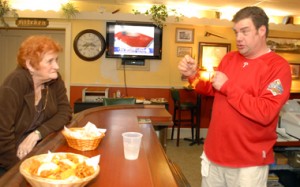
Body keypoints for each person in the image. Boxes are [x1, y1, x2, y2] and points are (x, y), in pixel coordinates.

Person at [178, 6, 291, 187]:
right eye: (236, 32)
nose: (238, 38)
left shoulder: (278, 68)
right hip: (213, 156)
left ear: (262, 31)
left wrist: (228, 86)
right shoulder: (229, 59)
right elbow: (212, 88)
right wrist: (193, 75)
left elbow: (265, 112)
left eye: (245, 32)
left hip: (248, 164)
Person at [0, 35, 72, 176]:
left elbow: (65, 112)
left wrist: (37, 134)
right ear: (30, 65)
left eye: (56, 60)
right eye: (50, 61)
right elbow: (2, 134)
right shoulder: (14, 84)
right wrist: (19, 170)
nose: (56, 66)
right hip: (8, 160)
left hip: (37, 152)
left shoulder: (55, 80)